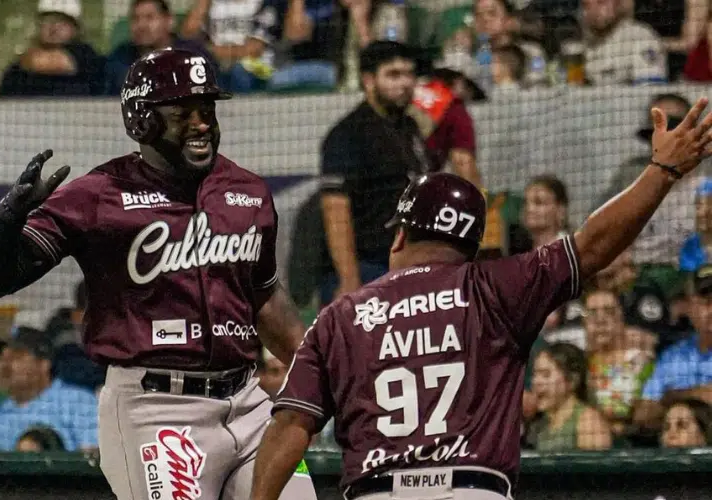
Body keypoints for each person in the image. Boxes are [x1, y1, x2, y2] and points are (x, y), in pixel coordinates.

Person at [249, 96, 712, 500]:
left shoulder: (341, 317)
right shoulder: (497, 286)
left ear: (400, 237)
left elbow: (290, 425)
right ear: (470, 247)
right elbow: (593, 245)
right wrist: (662, 171)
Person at [0, 47, 315, 500]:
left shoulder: (247, 191)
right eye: (183, 112)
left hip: (248, 402)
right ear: (143, 120)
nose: (202, 122)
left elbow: (264, 296)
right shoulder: (97, 196)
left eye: (206, 108)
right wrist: (5, 223)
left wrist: (317, 374)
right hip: (157, 409)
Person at [319, 41, 432, 306]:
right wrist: (349, 280)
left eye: (409, 74)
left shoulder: (408, 126)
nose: (405, 83)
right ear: (368, 80)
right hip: (369, 266)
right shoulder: (348, 135)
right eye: (393, 75)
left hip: (409, 264)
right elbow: (335, 210)